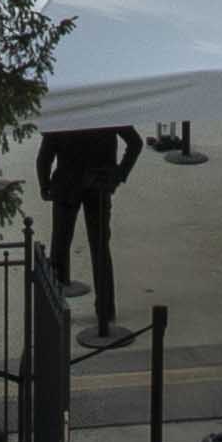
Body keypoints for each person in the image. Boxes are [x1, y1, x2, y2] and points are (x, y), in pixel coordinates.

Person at [34, 116, 143, 334]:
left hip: (67, 185)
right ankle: (105, 310)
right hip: (98, 186)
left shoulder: (66, 113)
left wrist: (44, 185)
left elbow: (44, 157)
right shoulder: (107, 111)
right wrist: (118, 175)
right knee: (100, 248)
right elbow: (135, 143)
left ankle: (56, 308)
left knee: (60, 245)